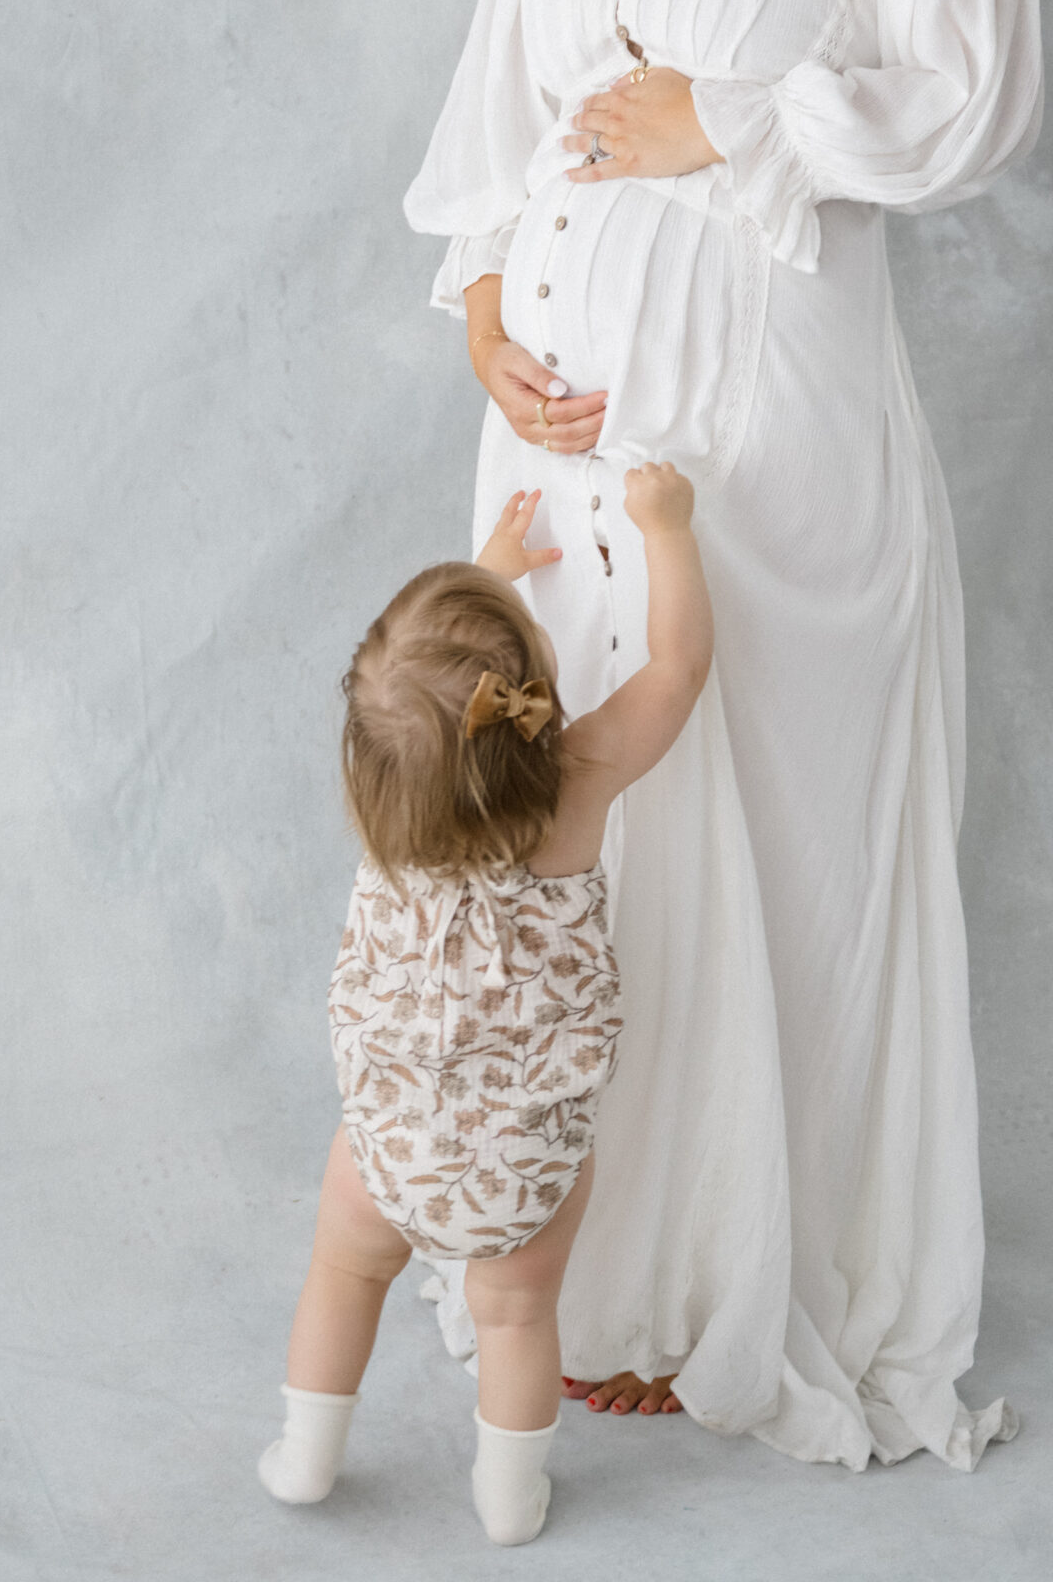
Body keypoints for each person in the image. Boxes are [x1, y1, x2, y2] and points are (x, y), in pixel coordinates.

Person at [403, 0, 1043, 1469]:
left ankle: (769, 1286)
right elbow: (483, 155)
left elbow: (976, 96)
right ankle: (607, 1288)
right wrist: (489, 318)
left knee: (779, 837)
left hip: (771, 450)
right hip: (558, 459)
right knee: (582, 853)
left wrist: (728, 116)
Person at [259, 468, 713, 1545]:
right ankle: (511, 1503)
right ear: (532, 695)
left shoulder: (390, 818)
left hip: (389, 1148)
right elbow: (683, 667)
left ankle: (305, 1459)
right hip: (525, 1161)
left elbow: (434, 710)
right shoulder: (578, 783)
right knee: (515, 1315)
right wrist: (666, 530)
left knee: (341, 1271)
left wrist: (488, 578)